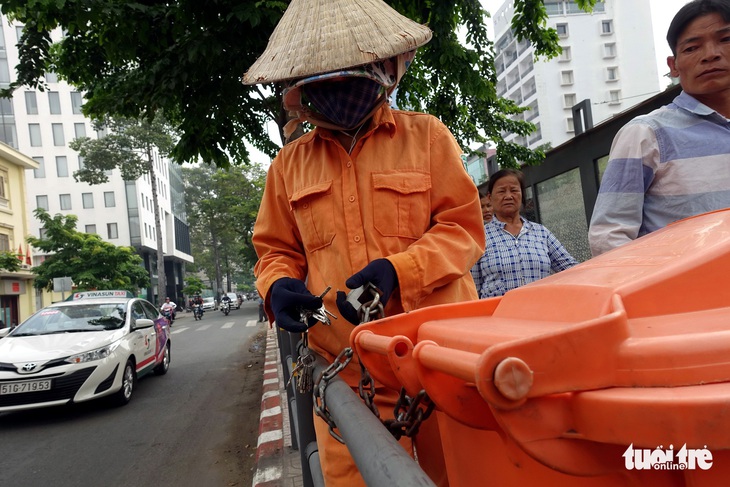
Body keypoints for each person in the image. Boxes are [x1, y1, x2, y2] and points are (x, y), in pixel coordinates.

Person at [244, 0, 485, 484]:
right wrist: (277, 289)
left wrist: (402, 270)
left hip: (437, 358)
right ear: (301, 90)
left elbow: (462, 230)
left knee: (463, 477)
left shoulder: (429, 137)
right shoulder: (287, 167)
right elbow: (276, 252)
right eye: (325, 80)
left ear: (388, 68)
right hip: (345, 373)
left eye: (351, 75)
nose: (340, 90)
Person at [588, 0, 730, 257]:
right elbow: (609, 236)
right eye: (692, 47)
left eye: (726, 38)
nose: (711, 54)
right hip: (687, 296)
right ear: (673, 65)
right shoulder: (646, 134)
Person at [471, 169, 578, 298]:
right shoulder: (479, 237)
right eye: (501, 191)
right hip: (497, 315)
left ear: (522, 194)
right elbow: (473, 288)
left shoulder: (541, 233)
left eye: (514, 190)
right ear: (490, 197)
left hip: (540, 312)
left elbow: (571, 269)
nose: (508, 196)